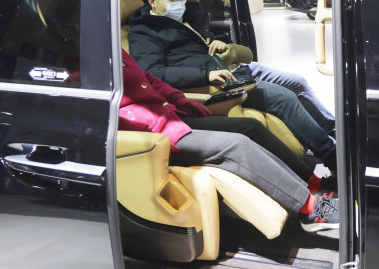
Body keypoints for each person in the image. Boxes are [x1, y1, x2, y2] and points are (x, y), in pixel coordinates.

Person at [128, 0, 338, 170]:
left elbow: (200, 48)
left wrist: (219, 44)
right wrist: (205, 76)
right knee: (284, 98)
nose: (179, 4)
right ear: (152, 1)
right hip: (218, 82)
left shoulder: (183, 20)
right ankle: (332, 155)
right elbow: (151, 73)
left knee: (298, 82)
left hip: (232, 68)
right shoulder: (144, 32)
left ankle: (335, 132)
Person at [119, 49, 338, 231]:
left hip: (173, 119)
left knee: (250, 127)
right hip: (153, 136)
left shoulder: (117, 51)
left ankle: (313, 183)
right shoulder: (99, 60)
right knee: (236, 144)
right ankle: (309, 208)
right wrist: (155, 120)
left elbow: (148, 79)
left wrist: (180, 99)